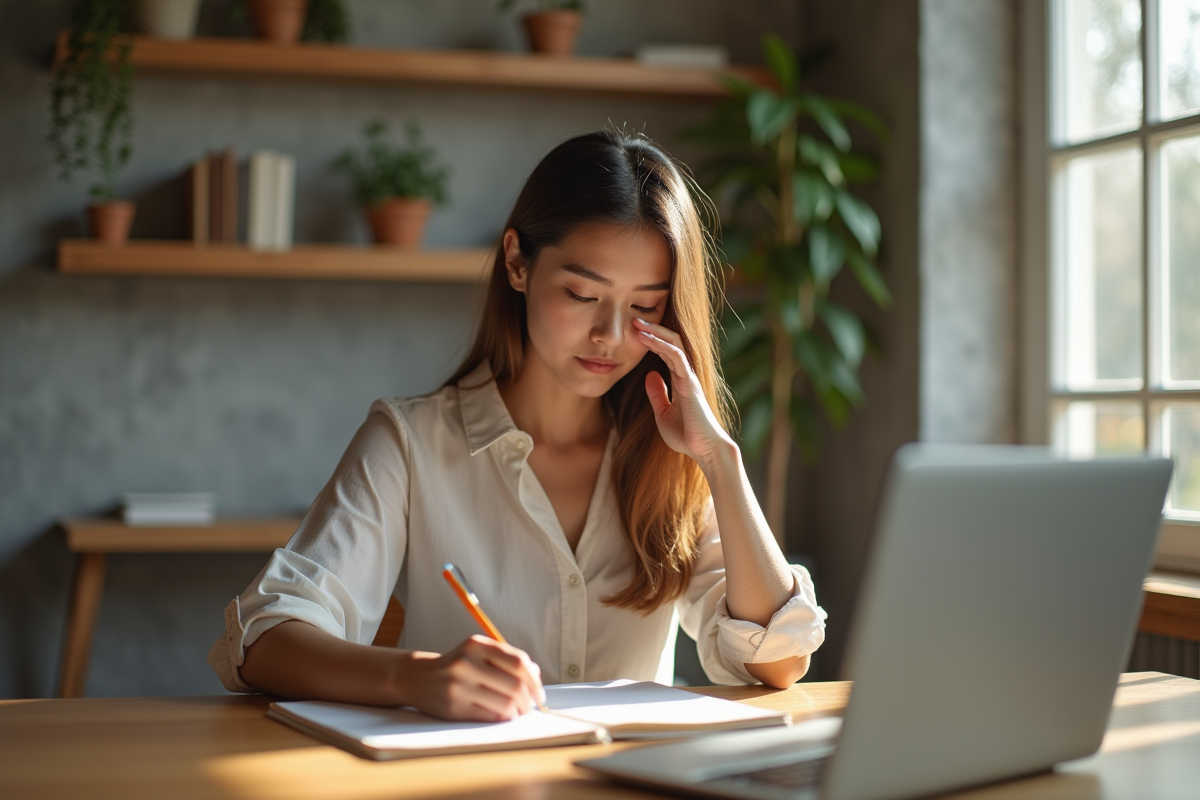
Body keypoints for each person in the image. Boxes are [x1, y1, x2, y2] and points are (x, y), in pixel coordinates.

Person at [208, 131, 826, 722]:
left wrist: (719, 459)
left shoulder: (670, 457)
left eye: (644, 307)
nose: (611, 337)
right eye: (583, 294)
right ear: (517, 262)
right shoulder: (410, 443)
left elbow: (779, 659)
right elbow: (266, 639)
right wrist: (414, 678)